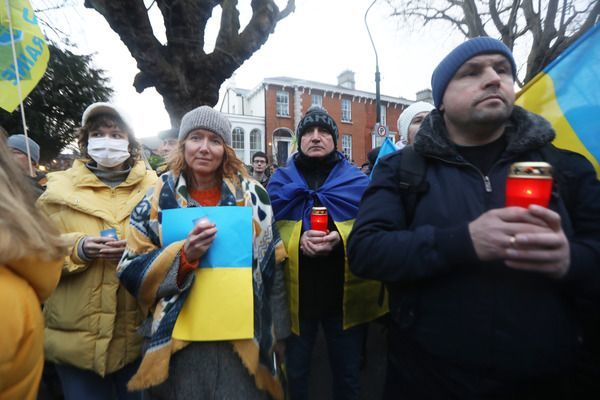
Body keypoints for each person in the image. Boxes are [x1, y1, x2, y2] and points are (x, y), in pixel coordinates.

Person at [348, 37, 600, 399]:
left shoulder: (567, 167)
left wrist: (570, 260)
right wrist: (463, 242)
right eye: (471, 72)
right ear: (442, 101)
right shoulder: (402, 170)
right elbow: (366, 251)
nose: (493, 78)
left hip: (548, 380)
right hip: (429, 379)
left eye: (502, 70)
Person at [117, 106, 290, 400]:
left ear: (225, 149)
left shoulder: (254, 195)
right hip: (179, 345)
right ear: (183, 145)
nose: (205, 148)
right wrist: (183, 257)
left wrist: (279, 332)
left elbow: (274, 267)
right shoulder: (156, 197)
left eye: (215, 140)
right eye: (196, 138)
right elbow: (129, 268)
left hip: (242, 342)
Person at [36, 102, 157, 400]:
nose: (107, 140)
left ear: (129, 143)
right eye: (99, 133)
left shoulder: (157, 188)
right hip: (76, 344)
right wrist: (78, 247)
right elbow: (34, 250)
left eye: (116, 134)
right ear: (85, 141)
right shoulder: (56, 190)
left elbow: (170, 248)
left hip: (135, 338)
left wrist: (137, 252)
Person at [268, 105, 387, 400]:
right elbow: (265, 234)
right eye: (308, 131)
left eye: (323, 131)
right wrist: (298, 241)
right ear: (300, 140)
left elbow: (376, 228)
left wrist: (341, 237)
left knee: (348, 377)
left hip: (342, 301)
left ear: (334, 139)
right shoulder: (280, 181)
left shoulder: (358, 182)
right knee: (295, 377)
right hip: (298, 303)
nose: (316, 137)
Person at [0, 137, 66, 400]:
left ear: (32, 160)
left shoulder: (45, 195)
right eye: (9, 152)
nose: (11, 155)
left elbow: (54, 244)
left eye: (16, 152)